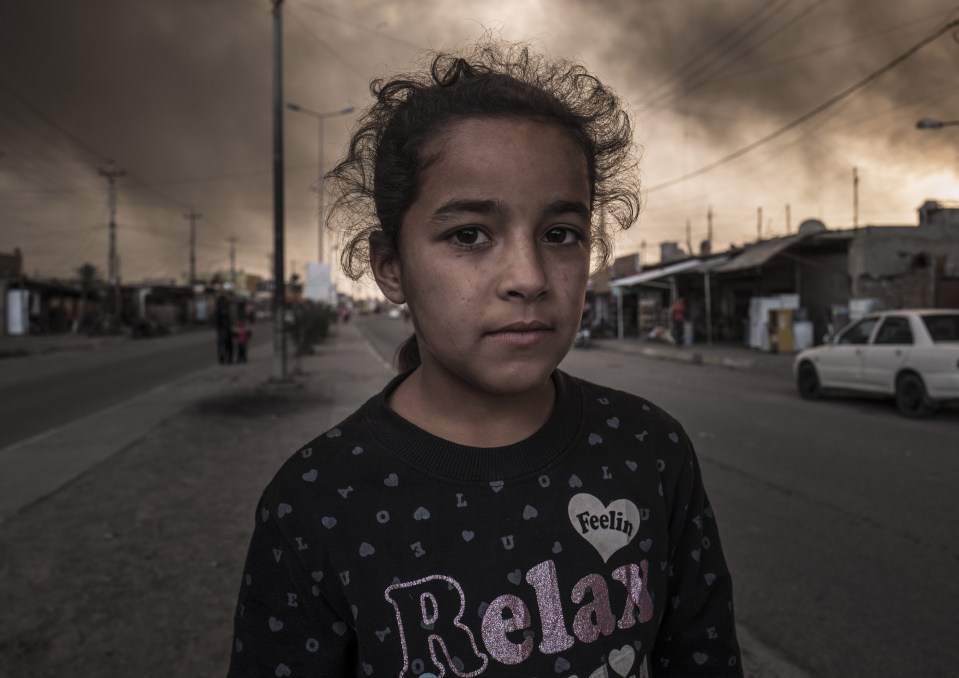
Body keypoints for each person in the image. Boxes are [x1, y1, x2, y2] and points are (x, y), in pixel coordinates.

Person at [228, 39, 742, 678]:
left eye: (560, 235)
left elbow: (702, 657)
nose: (528, 277)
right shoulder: (317, 500)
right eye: (469, 235)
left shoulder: (649, 448)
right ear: (391, 267)